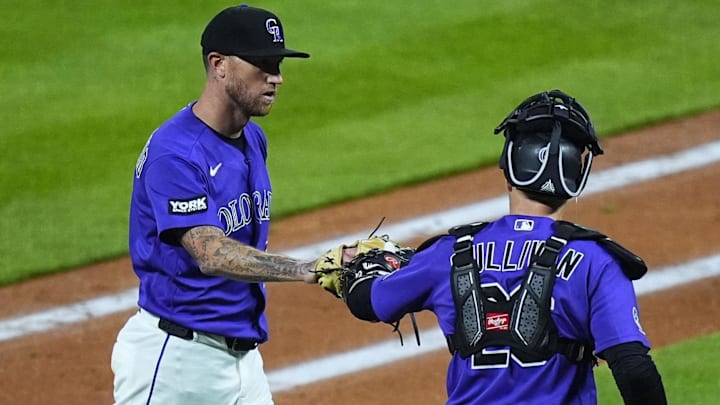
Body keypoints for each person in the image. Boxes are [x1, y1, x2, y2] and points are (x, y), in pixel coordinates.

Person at [337, 90, 667, 404]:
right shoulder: (596, 262)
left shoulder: (449, 253)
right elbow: (634, 370)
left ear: (508, 170)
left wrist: (363, 271)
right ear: (576, 180)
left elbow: (367, 301)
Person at [111, 5, 316, 404]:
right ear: (218, 65)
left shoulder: (252, 139)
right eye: (262, 63)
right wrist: (304, 270)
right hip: (177, 362)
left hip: (243, 362)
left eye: (276, 63)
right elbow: (211, 252)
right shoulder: (177, 154)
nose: (277, 77)